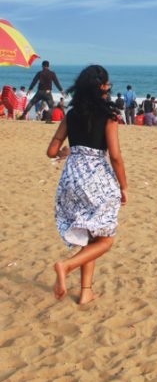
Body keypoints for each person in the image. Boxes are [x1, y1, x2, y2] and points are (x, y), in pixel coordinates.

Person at [46, 65, 127, 305]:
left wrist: (66, 151)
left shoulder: (71, 114)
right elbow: (115, 156)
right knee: (106, 239)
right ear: (102, 87)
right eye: (108, 84)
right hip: (96, 179)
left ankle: (86, 292)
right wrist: (124, 186)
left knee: (91, 236)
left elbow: (51, 151)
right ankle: (66, 265)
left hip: (71, 179)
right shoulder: (109, 116)